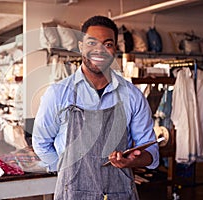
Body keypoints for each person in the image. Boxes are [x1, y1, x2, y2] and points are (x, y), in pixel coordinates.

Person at [32, 15, 159, 200]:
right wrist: (70, 171)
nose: (99, 50)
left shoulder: (132, 96)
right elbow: (41, 144)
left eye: (107, 44)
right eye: (92, 43)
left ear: (115, 49)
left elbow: (151, 152)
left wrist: (134, 160)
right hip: (73, 193)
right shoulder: (58, 94)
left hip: (120, 192)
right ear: (81, 46)